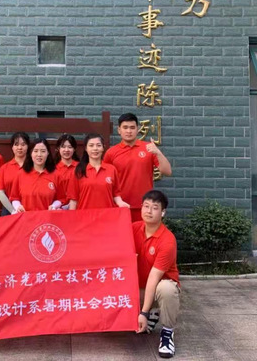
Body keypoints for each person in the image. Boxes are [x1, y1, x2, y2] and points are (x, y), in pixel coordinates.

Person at [133, 190, 180, 359]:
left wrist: (143, 313)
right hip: (138, 289)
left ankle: (167, 333)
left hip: (158, 288)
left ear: (163, 212)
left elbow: (154, 277)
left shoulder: (167, 240)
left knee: (166, 288)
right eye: (146, 206)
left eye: (154, 208)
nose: (149, 211)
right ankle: (152, 313)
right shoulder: (133, 228)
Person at [104, 113, 172, 222]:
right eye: (125, 127)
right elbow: (105, 180)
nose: (129, 131)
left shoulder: (148, 148)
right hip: (120, 205)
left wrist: (158, 152)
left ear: (137, 129)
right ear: (119, 130)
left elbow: (167, 171)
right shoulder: (111, 153)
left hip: (145, 206)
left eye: (132, 127)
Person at [67, 133, 130, 210]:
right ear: (86, 148)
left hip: (107, 214)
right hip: (85, 215)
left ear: (103, 148)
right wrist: (72, 216)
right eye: (91, 145)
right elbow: (73, 200)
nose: (95, 148)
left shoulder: (111, 169)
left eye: (98, 145)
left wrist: (121, 203)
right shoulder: (78, 171)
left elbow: (116, 194)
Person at [11, 138, 65, 212]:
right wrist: (18, 207)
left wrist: (54, 206)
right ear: (30, 153)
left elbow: (61, 198)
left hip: (47, 217)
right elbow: (14, 198)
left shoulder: (56, 175)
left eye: (43, 151)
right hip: (26, 217)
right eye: (35, 151)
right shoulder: (20, 174)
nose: (39, 155)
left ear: (48, 153)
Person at [0, 132, 30, 215]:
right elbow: (0, 192)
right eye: (16, 144)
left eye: (23, 144)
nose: (20, 147)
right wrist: (13, 211)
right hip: (9, 209)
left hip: (30, 208)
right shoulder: (4, 168)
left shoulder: (34, 167)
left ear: (28, 146)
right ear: (12, 147)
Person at [54, 133, 80, 199]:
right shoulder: (53, 168)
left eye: (70, 147)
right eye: (63, 147)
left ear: (74, 149)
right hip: (58, 203)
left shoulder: (80, 167)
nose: (66, 150)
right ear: (58, 148)